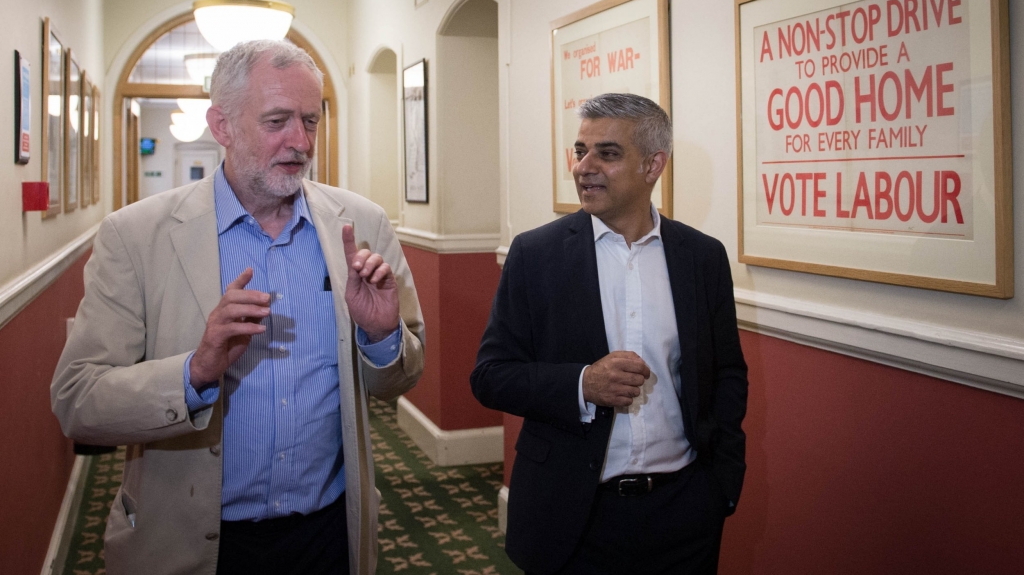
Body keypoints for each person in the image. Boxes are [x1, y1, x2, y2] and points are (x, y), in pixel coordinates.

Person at [51, 40, 424, 575]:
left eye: (310, 121)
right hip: (192, 542)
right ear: (221, 126)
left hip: (327, 534)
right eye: (277, 121)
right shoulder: (135, 237)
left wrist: (383, 336)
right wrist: (194, 372)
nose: (300, 141)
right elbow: (77, 399)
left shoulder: (362, 226)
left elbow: (398, 381)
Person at [471, 93, 747, 575]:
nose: (585, 166)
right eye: (580, 151)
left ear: (653, 165)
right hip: (572, 516)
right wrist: (582, 385)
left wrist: (719, 487)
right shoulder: (536, 255)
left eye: (608, 153)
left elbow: (727, 374)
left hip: (683, 512)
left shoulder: (702, 257)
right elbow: (491, 376)